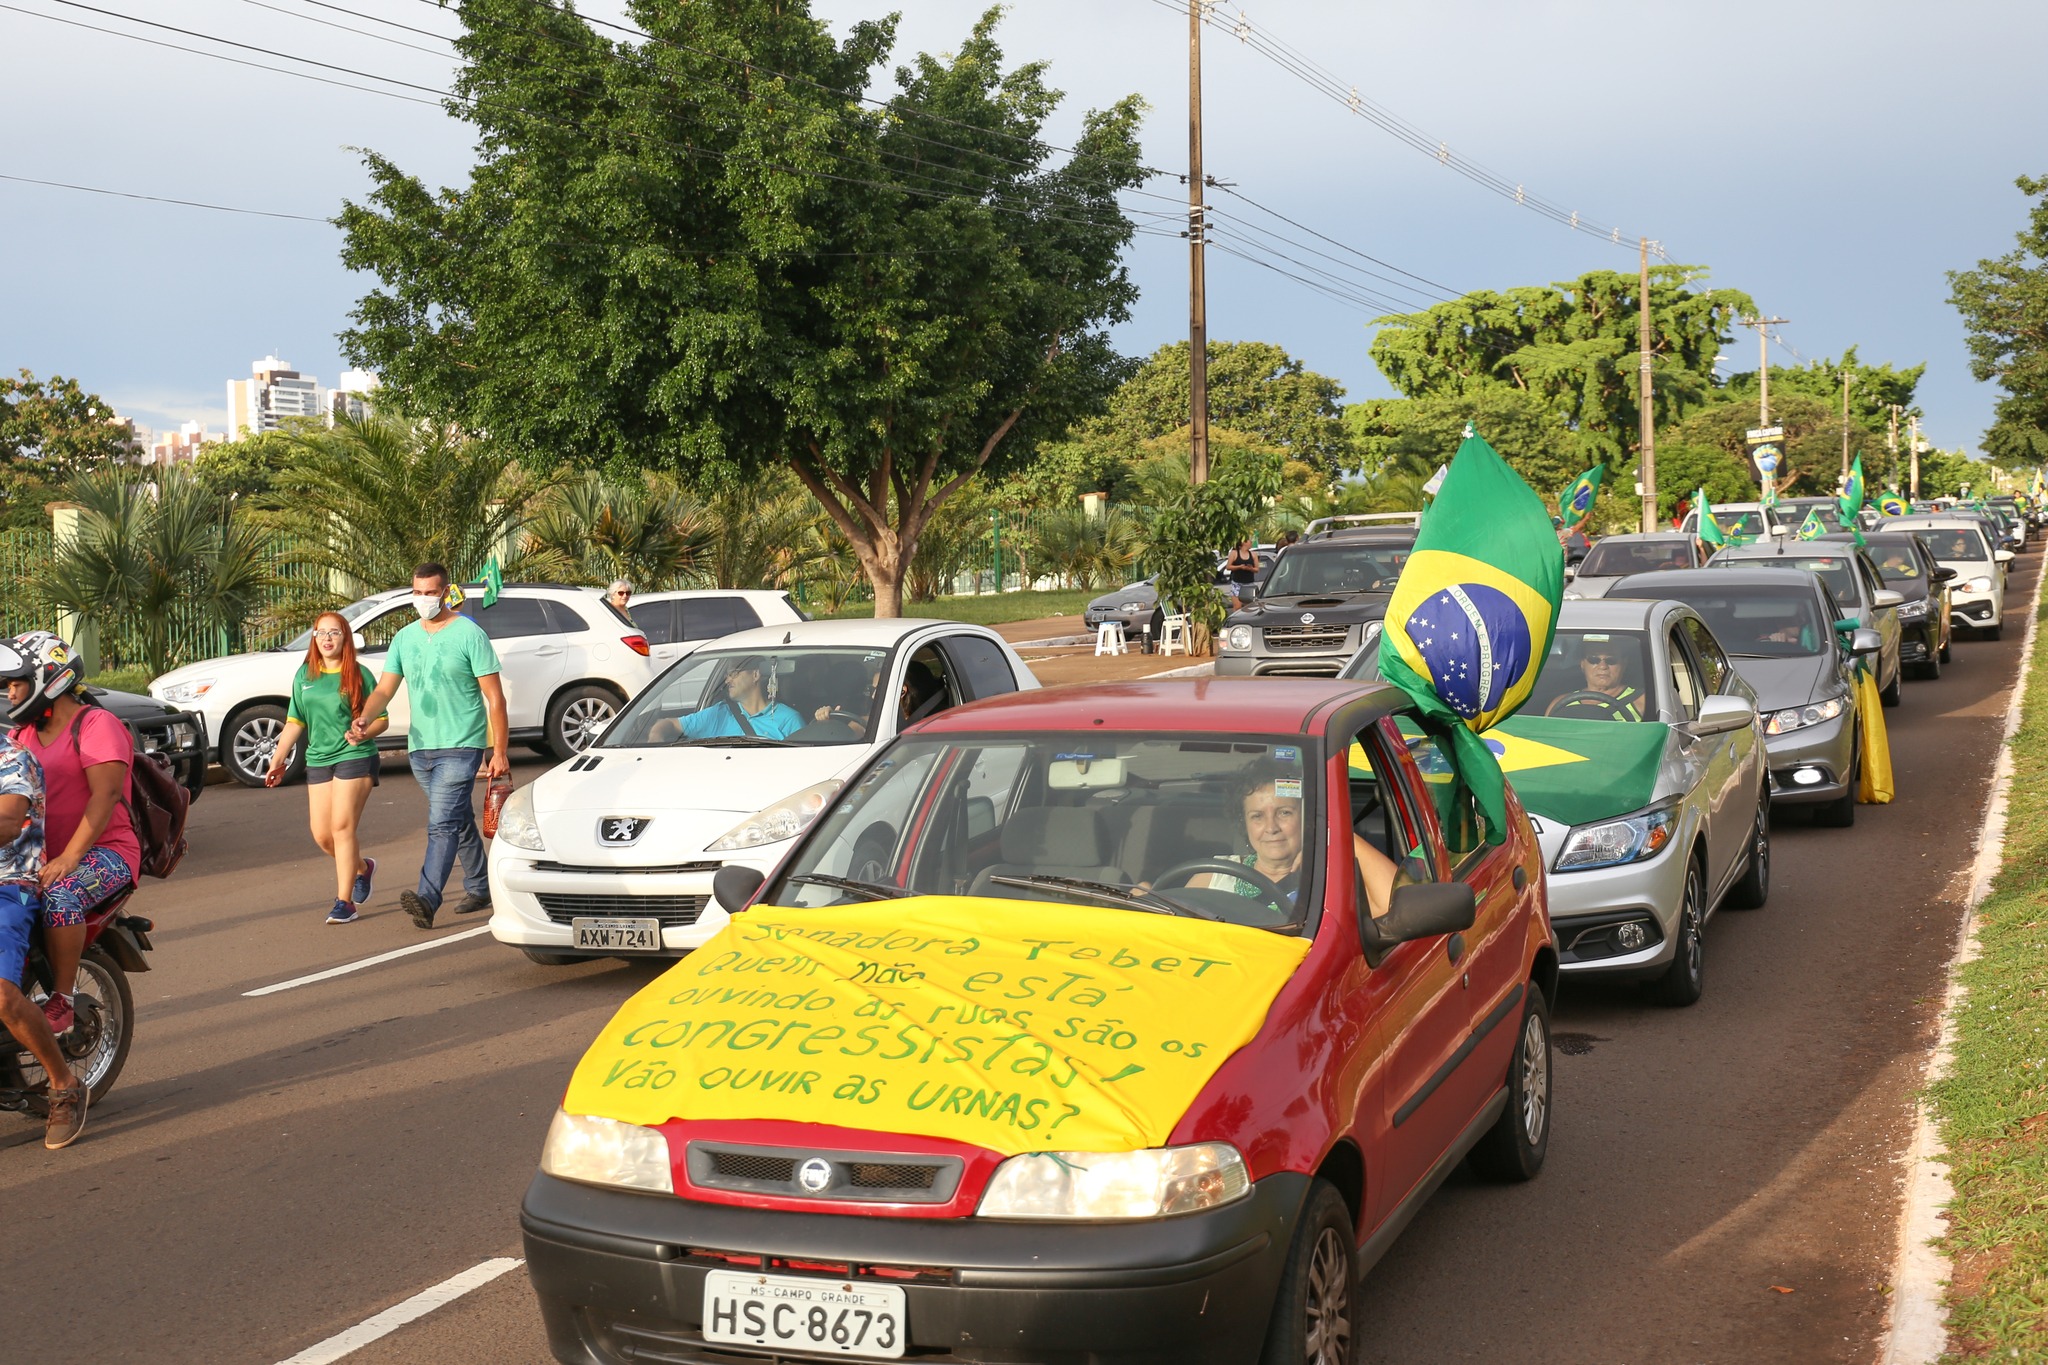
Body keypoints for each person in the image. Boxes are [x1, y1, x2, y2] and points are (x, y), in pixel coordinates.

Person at [347, 563, 511, 930]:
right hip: (420, 748)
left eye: (431, 592)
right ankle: (480, 885)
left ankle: (428, 897)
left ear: (445, 591)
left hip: (461, 743)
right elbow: (385, 689)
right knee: (455, 818)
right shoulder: (405, 638)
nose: (423, 599)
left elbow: (495, 698)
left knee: (440, 824)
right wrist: (364, 718)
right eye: (417, 592)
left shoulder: (470, 634)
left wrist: (499, 750)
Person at [6, 632, 136, 1040]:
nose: (9, 693)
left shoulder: (96, 724)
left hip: (105, 851)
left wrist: (70, 858)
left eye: (17, 683)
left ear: (50, 679)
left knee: (61, 894)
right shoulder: (20, 736)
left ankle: (62, 998)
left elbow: (107, 794)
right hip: (40, 857)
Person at [0, 643, 87, 1149]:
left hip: (9, 885)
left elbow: (10, 819)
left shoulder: (13, 758)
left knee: (3, 994)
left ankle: (63, 1085)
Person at [267, 611, 390, 924]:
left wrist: (364, 731)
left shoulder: (359, 675)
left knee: (341, 827)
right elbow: (295, 720)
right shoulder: (304, 676)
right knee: (322, 835)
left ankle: (344, 902)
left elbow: (381, 719)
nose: (327, 639)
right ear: (314, 638)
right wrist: (278, 759)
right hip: (319, 758)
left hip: (355, 755)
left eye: (334, 632)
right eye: (321, 633)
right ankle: (362, 868)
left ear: (345, 638)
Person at [1172, 762, 1396, 918]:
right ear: (1245, 824)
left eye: (1284, 813)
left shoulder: (1331, 879)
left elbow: (1395, 903)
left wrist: (1329, 833)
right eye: (1257, 816)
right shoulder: (1214, 875)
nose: (1271, 827)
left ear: (1307, 817)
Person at [681, 656, 803, 740]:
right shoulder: (718, 714)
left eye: (734, 673)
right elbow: (671, 725)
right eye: (727, 675)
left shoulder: (789, 720)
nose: (727, 680)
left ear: (755, 675)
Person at [1546, 644, 1646, 720]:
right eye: (1593, 659)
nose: (1602, 666)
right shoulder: (1560, 703)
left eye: (1611, 660)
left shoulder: (1641, 700)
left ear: (1624, 664)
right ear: (1582, 664)